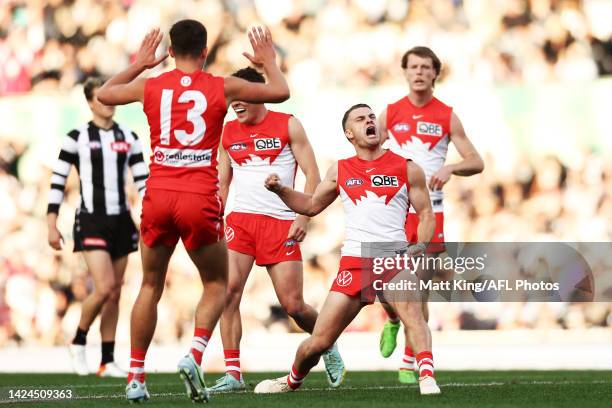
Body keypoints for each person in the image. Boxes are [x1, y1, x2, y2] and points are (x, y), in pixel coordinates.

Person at [96, 20, 290, 403]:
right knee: (217, 284)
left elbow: (104, 94)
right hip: (198, 198)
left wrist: (139, 64)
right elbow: (281, 91)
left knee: (150, 285)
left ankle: (135, 376)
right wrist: (267, 60)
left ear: (169, 52)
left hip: (158, 195)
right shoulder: (221, 85)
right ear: (205, 52)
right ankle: (195, 354)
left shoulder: (150, 85)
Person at [254, 104, 441, 395]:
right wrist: (281, 190)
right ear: (349, 133)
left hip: (392, 258)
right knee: (318, 342)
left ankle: (426, 376)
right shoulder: (340, 170)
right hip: (354, 263)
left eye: (371, 117)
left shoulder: (407, 167)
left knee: (414, 315)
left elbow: (427, 214)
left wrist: (420, 245)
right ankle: (291, 381)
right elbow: (311, 205)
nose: (369, 121)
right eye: (361, 118)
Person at [210, 67, 344, 393]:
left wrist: (303, 218)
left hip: (281, 222)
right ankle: (233, 373)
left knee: (294, 305)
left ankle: (327, 343)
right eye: (231, 97)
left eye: (241, 96)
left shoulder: (288, 124)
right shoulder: (227, 132)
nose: (235, 103)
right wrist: (215, 216)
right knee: (228, 293)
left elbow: (313, 175)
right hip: (241, 222)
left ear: (259, 94)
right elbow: (221, 182)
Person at [377, 46, 484, 383]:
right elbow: (369, 149)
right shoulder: (391, 112)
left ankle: (410, 361)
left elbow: (476, 160)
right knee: (382, 285)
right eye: (414, 67)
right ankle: (393, 319)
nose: (420, 72)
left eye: (426, 67)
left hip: (429, 213)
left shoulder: (446, 115)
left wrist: (452, 167)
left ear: (435, 73)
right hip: (392, 212)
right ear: (405, 72)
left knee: (420, 287)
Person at [47, 77, 148, 378]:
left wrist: (152, 210)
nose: (109, 103)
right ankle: (78, 341)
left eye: (112, 98)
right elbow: (58, 181)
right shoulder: (75, 137)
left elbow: (143, 180)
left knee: (115, 292)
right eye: (102, 98)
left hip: (121, 219)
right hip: (91, 217)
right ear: (90, 102)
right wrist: (51, 222)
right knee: (103, 287)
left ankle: (106, 359)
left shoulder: (128, 136)